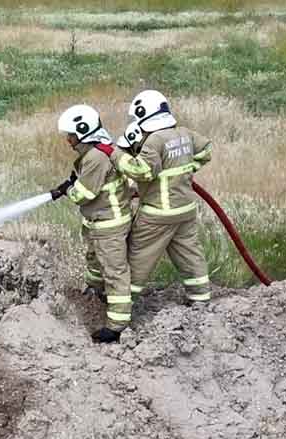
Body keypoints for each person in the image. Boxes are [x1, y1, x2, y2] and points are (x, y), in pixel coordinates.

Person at [116, 90, 213, 305]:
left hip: (158, 214)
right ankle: (200, 299)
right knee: (190, 254)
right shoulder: (185, 133)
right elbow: (206, 150)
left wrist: (117, 157)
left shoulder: (154, 140)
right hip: (185, 211)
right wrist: (188, 170)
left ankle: (121, 301)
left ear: (143, 115)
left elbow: (144, 172)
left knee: (138, 256)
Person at [49, 104, 135, 344]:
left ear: (83, 132)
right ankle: (95, 291)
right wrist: (69, 183)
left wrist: (69, 190)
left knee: (114, 270)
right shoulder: (92, 153)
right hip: (98, 221)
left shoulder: (96, 157)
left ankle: (116, 326)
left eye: (70, 135)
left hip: (109, 223)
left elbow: (83, 194)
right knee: (94, 260)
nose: (67, 139)